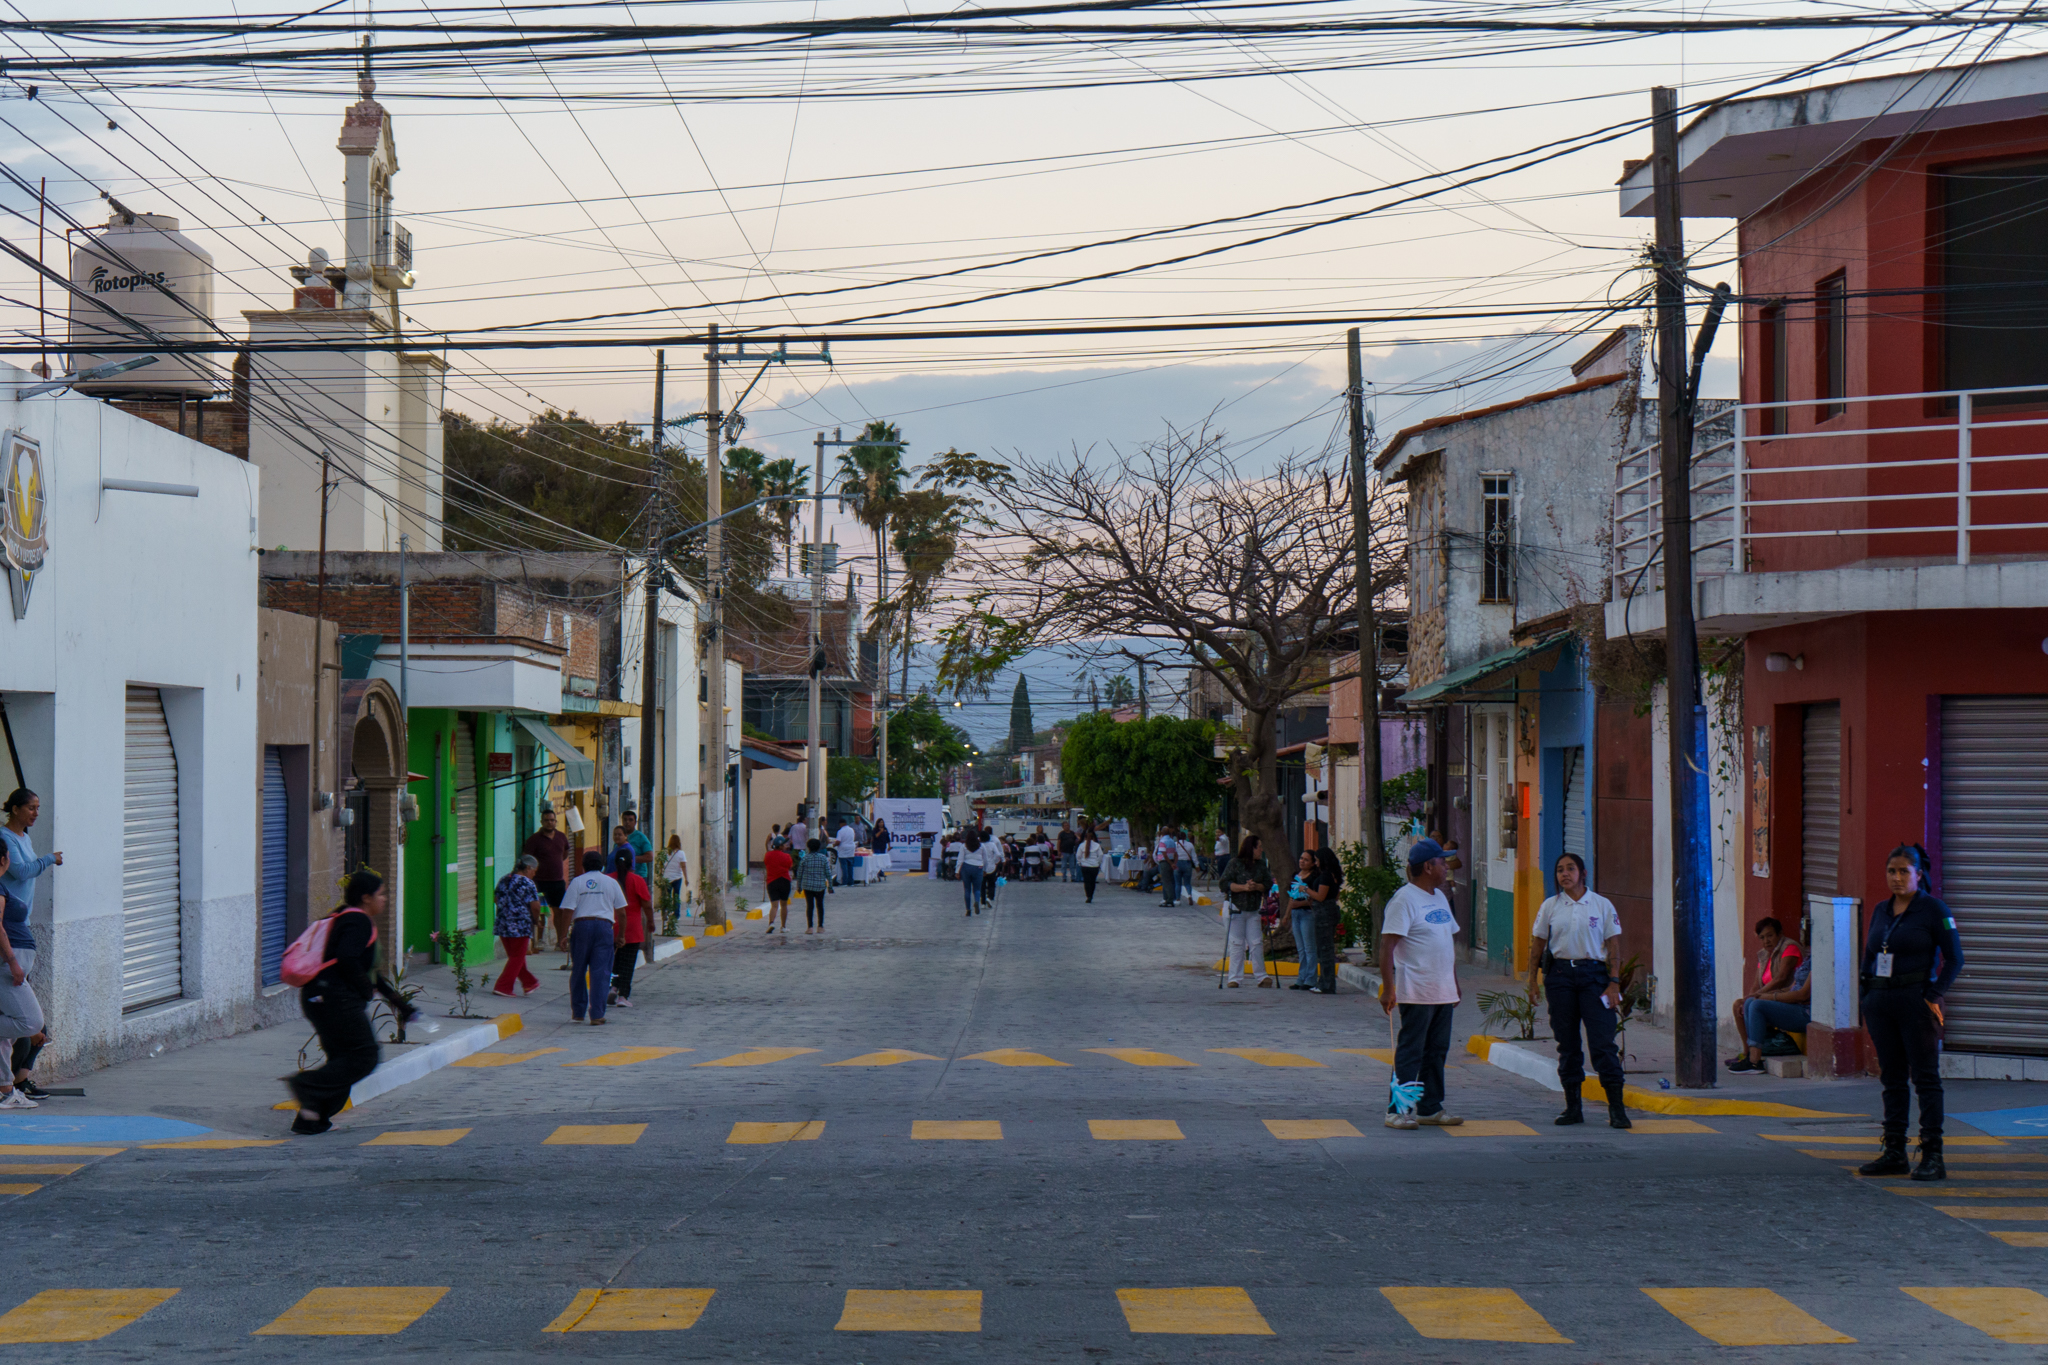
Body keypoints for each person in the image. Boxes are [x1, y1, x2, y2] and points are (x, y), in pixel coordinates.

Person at [1856, 843, 1962, 1183]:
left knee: (1925, 1078)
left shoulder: (1933, 909)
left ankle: (1932, 1155)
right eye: (1892, 871)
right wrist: (1866, 995)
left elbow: (1955, 959)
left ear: (1919, 874)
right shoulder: (1881, 910)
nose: (1897, 878)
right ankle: (1894, 1152)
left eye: (1904, 871)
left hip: (1915, 1001)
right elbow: (1870, 955)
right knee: (1892, 1078)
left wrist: (1933, 994)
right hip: (1881, 1003)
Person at [283, 871, 416, 1134]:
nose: (385, 899)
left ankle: (312, 1118)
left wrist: (400, 1004)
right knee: (364, 1056)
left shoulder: (343, 917)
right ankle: (305, 1085)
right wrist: (365, 990)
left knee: (343, 1059)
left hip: (319, 997)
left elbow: (369, 971)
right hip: (335, 999)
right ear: (366, 898)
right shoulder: (358, 920)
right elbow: (347, 959)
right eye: (381, 894)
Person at [1527, 852, 1629, 1128]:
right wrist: (1532, 981)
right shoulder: (1550, 906)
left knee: (1602, 1042)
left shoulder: (1601, 905)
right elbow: (1538, 945)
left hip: (1594, 977)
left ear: (1583, 873)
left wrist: (1614, 982)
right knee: (1567, 1044)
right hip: (1560, 977)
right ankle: (1573, 1107)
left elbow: (1614, 946)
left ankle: (1617, 1109)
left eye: (1570, 868)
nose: (1565, 874)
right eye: (1560, 869)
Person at [1379, 839, 1464, 1129]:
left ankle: (1430, 1107)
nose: (1446, 867)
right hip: (1416, 990)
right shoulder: (1404, 900)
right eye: (1442, 862)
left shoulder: (1439, 897)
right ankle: (1397, 1111)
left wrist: (1454, 982)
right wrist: (1388, 988)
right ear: (1428, 867)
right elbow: (1387, 946)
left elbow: (1446, 942)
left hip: (1442, 989)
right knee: (1411, 1051)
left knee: (1437, 1050)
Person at [0, 849, 45, 1108]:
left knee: (5, 1036)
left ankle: (5, 1091)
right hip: (8, 965)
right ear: (3, 859)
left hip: (13, 964)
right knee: (31, 1022)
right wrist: (13, 962)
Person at [1728, 917, 1805, 1062]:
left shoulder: (1790, 947)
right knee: (1739, 1004)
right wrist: (1748, 997)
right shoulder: (1764, 955)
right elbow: (1756, 984)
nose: (1766, 941)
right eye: (1762, 937)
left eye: (1770, 936)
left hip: (1786, 999)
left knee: (1754, 1003)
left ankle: (1754, 1059)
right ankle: (1747, 1052)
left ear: (1780, 934)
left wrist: (1757, 995)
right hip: (1768, 997)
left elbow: (1781, 978)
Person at [564, 850, 625, 1025]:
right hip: (604, 928)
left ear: (583, 866)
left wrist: (563, 935)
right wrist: (621, 935)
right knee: (601, 972)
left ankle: (578, 1012)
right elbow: (621, 912)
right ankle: (597, 1014)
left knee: (578, 970)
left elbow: (568, 910)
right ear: (602, 866)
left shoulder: (577, 882)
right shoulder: (611, 882)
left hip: (582, 926)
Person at [1730, 958, 1812, 1074]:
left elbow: (1803, 995)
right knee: (1749, 1002)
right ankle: (1750, 1053)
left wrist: (1769, 997)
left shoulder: (1818, 961)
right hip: (1795, 1006)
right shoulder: (1808, 960)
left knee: (1757, 1006)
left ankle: (1754, 1061)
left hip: (1805, 1012)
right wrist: (1760, 995)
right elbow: (1791, 989)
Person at [1220, 835, 1274, 988]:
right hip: (1236, 908)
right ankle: (1234, 978)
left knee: (1256, 943)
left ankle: (1261, 976)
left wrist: (1257, 886)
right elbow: (1224, 884)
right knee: (1237, 943)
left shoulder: (1261, 865)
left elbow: (1268, 883)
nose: (1261, 850)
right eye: (1259, 847)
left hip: (1253, 909)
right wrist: (1243, 887)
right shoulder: (1234, 863)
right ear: (1251, 848)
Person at [522, 805, 572, 960]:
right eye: (547, 820)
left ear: (556, 821)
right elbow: (526, 858)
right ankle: (538, 941)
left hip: (557, 881)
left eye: (552, 820)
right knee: (538, 911)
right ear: (542, 822)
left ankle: (560, 940)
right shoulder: (534, 840)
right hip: (539, 882)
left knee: (559, 912)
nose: (550, 823)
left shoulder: (561, 837)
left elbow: (565, 853)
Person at [490, 855, 543, 998]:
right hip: (520, 925)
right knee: (517, 957)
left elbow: (496, 899)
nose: (534, 874)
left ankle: (529, 983)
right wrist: (535, 920)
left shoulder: (504, 879)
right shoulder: (528, 883)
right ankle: (503, 987)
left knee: (515, 957)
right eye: (534, 871)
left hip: (502, 924)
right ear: (528, 868)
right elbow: (535, 906)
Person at [608, 847, 653, 1008]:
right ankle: (623, 996)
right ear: (632, 863)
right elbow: (646, 905)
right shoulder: (637, 880)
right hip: (632, 929)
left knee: (614, 962)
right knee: (627, 964)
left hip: (611, 928)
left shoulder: (608, 880)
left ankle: (613, 987)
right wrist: (651, 921)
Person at [1304, 847, 1344, 993]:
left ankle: (1326, 984)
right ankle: (1325, 982)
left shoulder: (1326, 876)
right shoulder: (1334, 875)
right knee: (1325, 948)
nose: (1316, 863)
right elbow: (1336, 895)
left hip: (1323, 914)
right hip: (1330, 911)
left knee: (1324, 949)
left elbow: (1321, 896)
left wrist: (1306, 890)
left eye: (1317, 860)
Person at [1285, 849, 1321, 991]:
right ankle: (1301, 978)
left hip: (1307, 913)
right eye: (1301, 858)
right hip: (1295, 914)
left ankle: (1310, 979)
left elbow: (1313, 899)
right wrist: (1286, 915)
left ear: (1312, 863)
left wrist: (1299, 904)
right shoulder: (1295, 876)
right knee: (1300, 948)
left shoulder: (1313, 878)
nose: (1302, 861)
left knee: (1309, 948)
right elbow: (1291, 897)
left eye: (1306, 860)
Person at [797, 837, 833, 933]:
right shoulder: (823, 858)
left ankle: (810, 927)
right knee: (820, 905)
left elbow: (799, 874)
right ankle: (820, 926)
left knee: (810, 906)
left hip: (807, 886)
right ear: (819, 847)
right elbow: (828, 873)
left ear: (808, 847)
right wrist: (830, 886)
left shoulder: (805, 858)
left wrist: (799, 886)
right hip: (820, 886)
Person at [621, 807, 654, 880]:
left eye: (630, 820)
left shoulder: (641, 837)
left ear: (635, 822)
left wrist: (630, 859)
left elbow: (650, 857)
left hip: (639, 875)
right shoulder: (620, 836)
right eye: (625, 820)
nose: (627, 822)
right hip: (623, 875)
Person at [959, 831, 986, 916]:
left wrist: (957, 871)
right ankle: (977, 901)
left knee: (967, 889)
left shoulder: (964, 846)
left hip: (966, 867)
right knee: (977, 889)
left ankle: (968, 910)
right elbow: (985, 859)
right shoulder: (981, 846)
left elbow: (960, 859)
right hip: (978, 867)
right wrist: (985, 869)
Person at [663, 834, 691, 915]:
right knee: (676, 896)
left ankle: (665, 913)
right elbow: (683, 866)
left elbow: (662, 865)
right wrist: (686, 878)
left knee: (667, 896)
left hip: (666, 877)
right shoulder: (681, 853)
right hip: (677, 877)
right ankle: (676, 914)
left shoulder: (665, 853)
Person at [1077, 825, 1106, 904]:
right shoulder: (1097, 845)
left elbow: (1078, 856)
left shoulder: (1082, 845)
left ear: (1085, 837)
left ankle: (1088, 895)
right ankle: (1091, 895)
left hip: (1085, 866)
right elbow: (1100, 855)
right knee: (1092, 881)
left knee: (1086, 882)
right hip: (1094, 866)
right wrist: (1098, 862)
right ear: (1093, 838)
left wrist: (1080, 862)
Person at [1156, 833, 1181, 907]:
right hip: (1171, 861)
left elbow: (1164, 854)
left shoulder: (1162, 841)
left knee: (1166, 882)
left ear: (1162, 833)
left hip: (1165, 862)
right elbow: (1176, 854)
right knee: (1170, 881)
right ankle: (1168, 899)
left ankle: (1169, 900)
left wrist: (1171, 863)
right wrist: (1174, 863)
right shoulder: (1172, 841)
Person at [836, 819, 859, 890]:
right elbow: (853, 838)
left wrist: (834, 844)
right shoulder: (852, 830)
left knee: (844, 867)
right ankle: (851, 882)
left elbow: (838, 841)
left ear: (841, 824)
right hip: (851, 849)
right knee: (850, 866)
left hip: (843, 850)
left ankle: (845, 882)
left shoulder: (840, 831)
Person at [1177, 829, 1199, 905]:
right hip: (1187, 864)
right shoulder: (1190, 845)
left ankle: (1178, 899)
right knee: (1187, 883)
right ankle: (1189, 895)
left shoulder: (1175, 844)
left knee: (1178, 883)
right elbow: (1194, 856)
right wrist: (1197, 865)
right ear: (1185, 837)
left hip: (1177, 863)